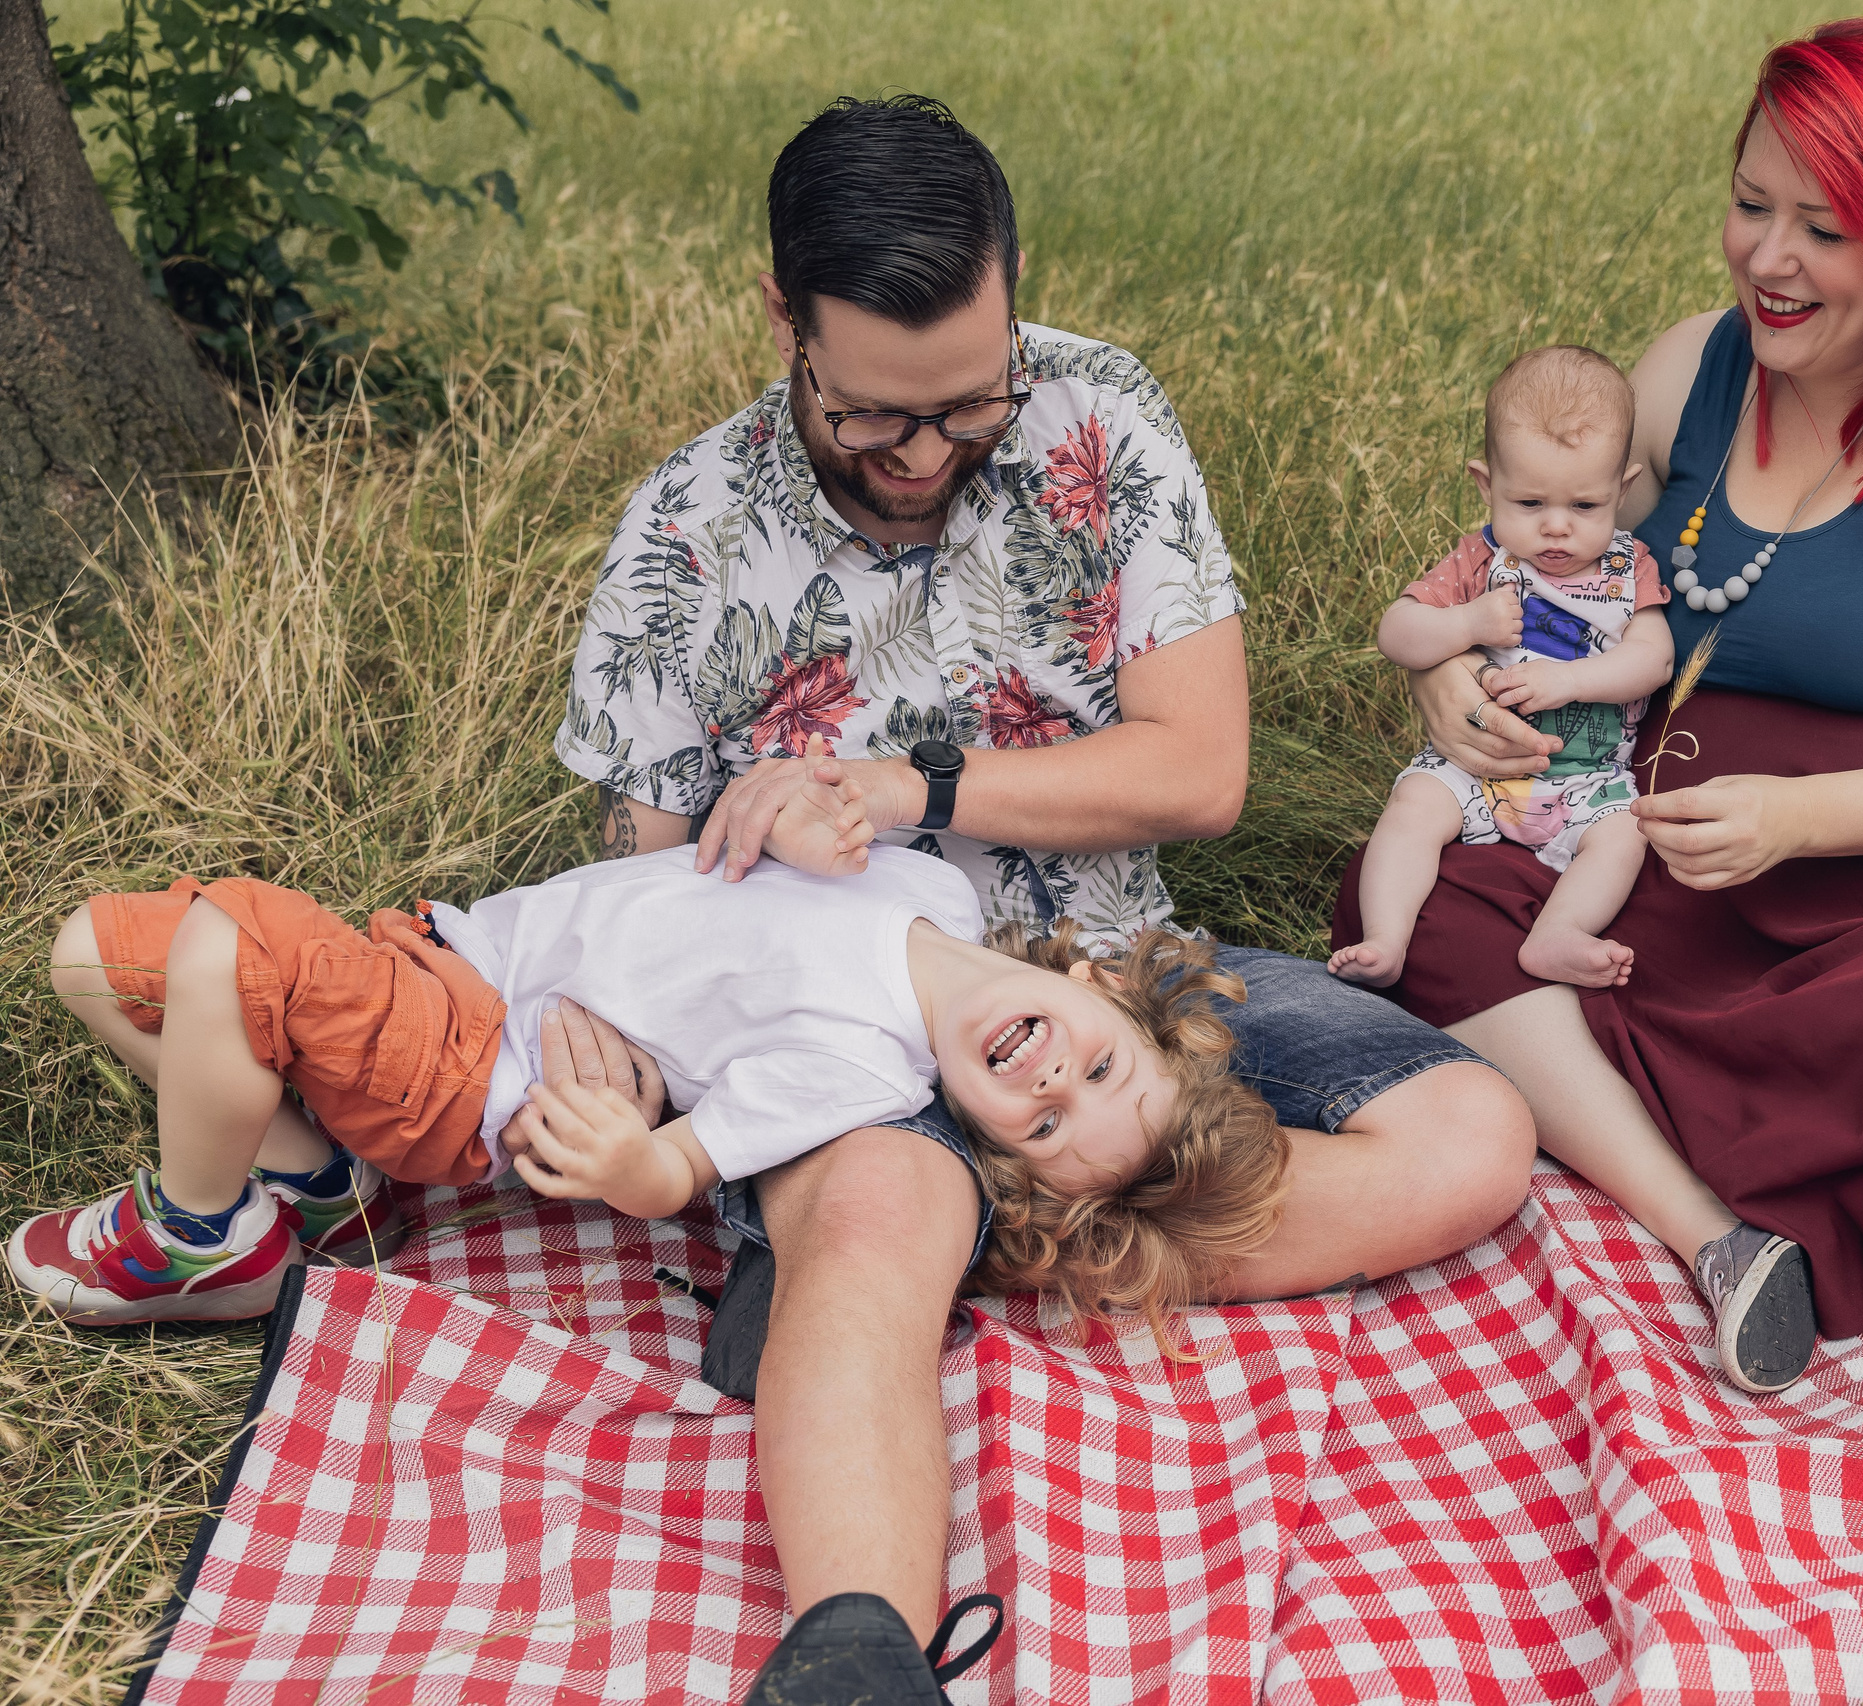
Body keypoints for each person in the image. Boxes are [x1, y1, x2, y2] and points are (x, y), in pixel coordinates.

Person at [556, 95, 1534, 1703]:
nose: (931, 456)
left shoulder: (1103, 422)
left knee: (1472, 1140)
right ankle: (861, 1640)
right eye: (880, 419)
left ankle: (904, 1282)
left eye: (970, 405)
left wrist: (907, 788)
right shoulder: (687, 526)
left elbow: (1201, 767)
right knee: (876, 1202)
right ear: (782, 317)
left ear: (1015, 292)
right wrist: (622, 1051)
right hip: (846, 1038)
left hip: (1111, 973)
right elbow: (641, 867)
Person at [1337, 17, 1863, 1398]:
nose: (1768, 260)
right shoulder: (1697, 370)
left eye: (1825, 229)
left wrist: (1804, 815)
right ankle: (1715, 1233)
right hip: (1680, 844)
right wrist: (1445, 670)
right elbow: (1527, 543)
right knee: (1420, 900)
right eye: (1751, 205)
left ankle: (1669, 1139)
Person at [14, 835, 1289, 1358]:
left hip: (476, 1060)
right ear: (1103, 984)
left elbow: (682, 1169)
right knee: (91, 958)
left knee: (232, 943)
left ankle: (196, 1232)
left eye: (1049, 1127)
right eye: (1102, 1065)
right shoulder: (940, 891)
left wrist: (629, 1150)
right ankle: (308, 1182)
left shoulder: (861, 1066)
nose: (1057, 1082)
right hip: (445, 950)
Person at [1328, 346, 1674, 993]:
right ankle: (1386, 935)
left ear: (1621, 492)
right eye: (1530, 501)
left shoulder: (1631, 569)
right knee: (1413, 809)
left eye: (1585, 507)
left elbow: (1653, 658)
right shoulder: (1481, 561)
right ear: (1487, 486)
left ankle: (1560, 932)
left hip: (1586, 781)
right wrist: (1465, 625)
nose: (1556, 528)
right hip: (1471, 768)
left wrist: (1570, 681)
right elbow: (1395, 633)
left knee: (1626, 836)